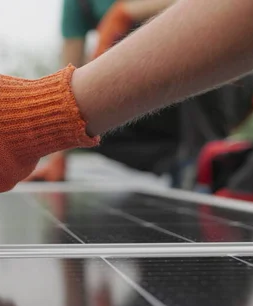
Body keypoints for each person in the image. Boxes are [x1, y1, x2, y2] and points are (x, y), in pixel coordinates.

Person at [0, 0, 253, 244]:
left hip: (226, 81)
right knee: (91, 130)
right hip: (140, 86)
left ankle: (203, 162)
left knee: (122, 37)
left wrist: (122, 15)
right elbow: (68, 69)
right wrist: (40, 136)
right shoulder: (76, 5)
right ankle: (189, 166)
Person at [25, 0, 177, 182]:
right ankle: (180, 164)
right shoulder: (78, 4)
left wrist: (125, 13)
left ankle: (199, 151)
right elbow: (67, 83)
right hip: (144, 101)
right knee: (83, 125)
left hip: (193, 86)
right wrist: (57, 158)